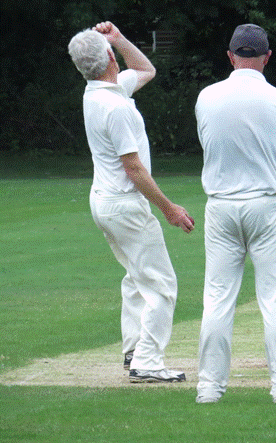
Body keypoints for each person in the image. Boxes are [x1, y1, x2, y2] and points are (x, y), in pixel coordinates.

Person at [67, 21, 194, 384]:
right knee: (161, 285)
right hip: (123, 204)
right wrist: (169, 208)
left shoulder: (102, 91)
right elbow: (134, 168)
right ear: (108, 58)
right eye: (113, 50)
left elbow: (145, 69)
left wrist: (119, 39)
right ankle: (148, 362)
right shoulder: (116, 106)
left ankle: (133, 350)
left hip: (103, 202)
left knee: (136, 277)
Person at [194, 24, 276, 404]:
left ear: (230, 56)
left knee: (218, 298)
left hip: (221, 205)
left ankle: (209, 388)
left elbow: (208, 145)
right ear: (267, 57)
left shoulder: (206, 97)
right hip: (266, 204)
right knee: (274, 299)